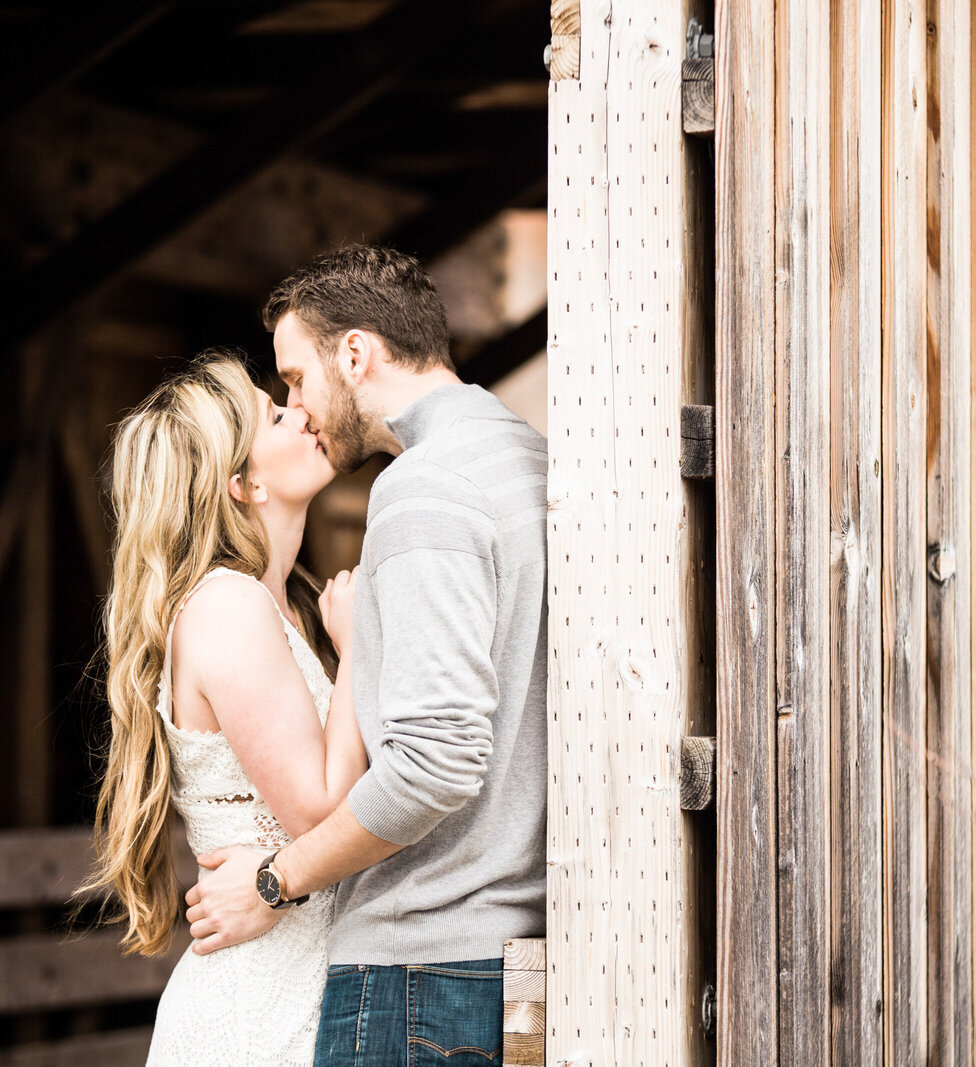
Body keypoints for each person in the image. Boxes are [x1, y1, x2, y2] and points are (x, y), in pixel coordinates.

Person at [182, 245, 549, 1066]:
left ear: (356, 353)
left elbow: (436, 762)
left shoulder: (422, 486)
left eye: (296, 378)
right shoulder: (524, 454)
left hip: (419, 963)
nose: (296, 405)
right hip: (499, 954)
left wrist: (277, 879)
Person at [81, 353, 367, 1066]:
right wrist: (363, 650)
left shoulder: (276, 607)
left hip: (294, 988)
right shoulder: (229, 605)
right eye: (275, 413)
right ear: (244, 483)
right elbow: (321, 808)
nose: (300, 410)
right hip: (258, 1014)